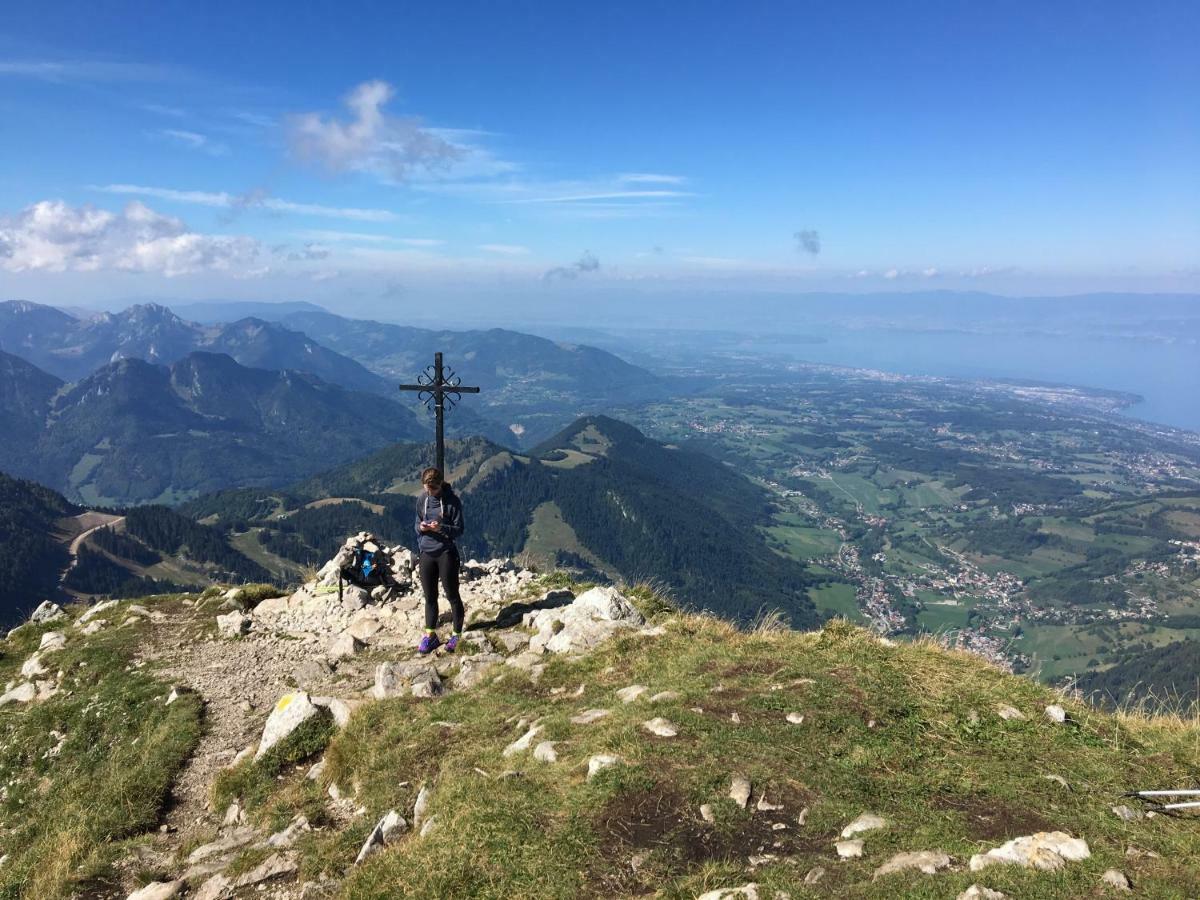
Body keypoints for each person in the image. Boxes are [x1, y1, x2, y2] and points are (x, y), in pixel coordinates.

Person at [414, 466, 465, 653]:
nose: (430, 492)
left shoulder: (452, 502)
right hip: (426, 553)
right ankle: (430, 636)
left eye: (434, 489)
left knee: (452, 594)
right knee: (429, 597)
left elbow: (459, 529)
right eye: (427, 489)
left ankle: (456, 634)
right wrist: (421, 528)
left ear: (440, 485)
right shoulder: (422, 499)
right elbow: (416, 523)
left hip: (446, 553)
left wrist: (441, 528)